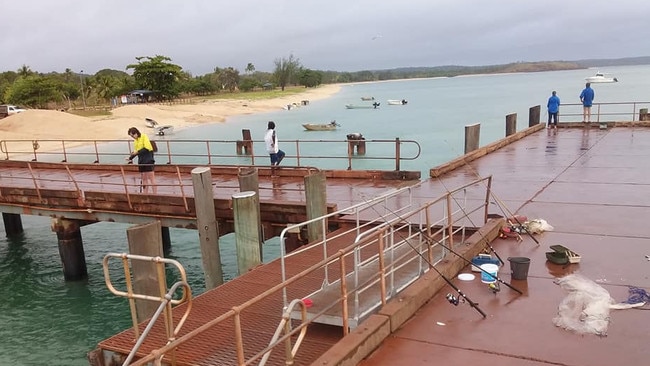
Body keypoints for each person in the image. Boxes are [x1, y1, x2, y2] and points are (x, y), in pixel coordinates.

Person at [126, 127, 157, 193]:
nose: (133, 137)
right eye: (131, 136)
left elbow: (147, 148)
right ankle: (145, 193)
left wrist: (137, 152)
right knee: (144, 178)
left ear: (136, 133)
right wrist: (130, 158)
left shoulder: (144, 136)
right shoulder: (135, 141)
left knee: (151, 178)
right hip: (141, 160)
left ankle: (155, 194)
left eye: (133, 135)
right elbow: (136, 151)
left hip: (148, 159)